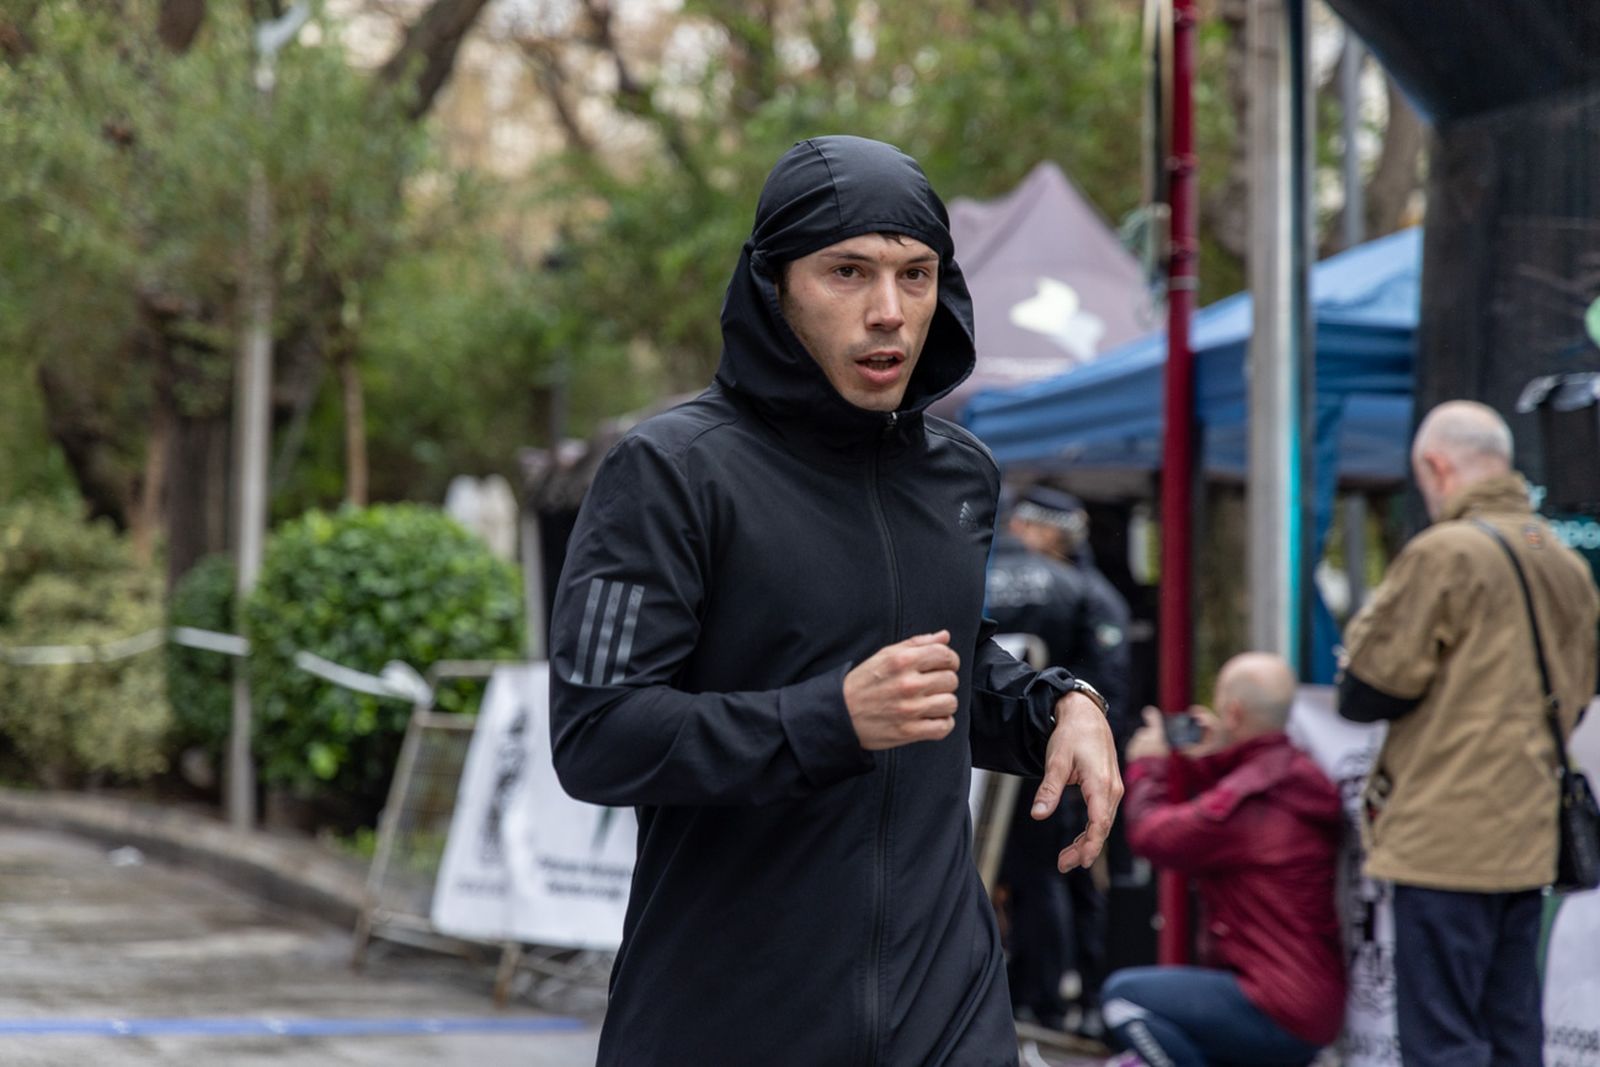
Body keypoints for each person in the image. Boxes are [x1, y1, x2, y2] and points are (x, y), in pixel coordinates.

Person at [547, 135, 1124, 1067]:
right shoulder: (670, 470)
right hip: (735, 1017)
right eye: (847, 272)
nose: (889, 310)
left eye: (915, 274)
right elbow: (597, 733)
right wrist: (829, 719)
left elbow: (947, 669)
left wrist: (1059, 705)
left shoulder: (961, 475)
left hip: (948, 1012)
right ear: (774, 284)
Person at [1337, 399, 1600, 1066]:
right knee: (1513, 1028)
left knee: (1442, 1034)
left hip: (1446, 832)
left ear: (1436, 466)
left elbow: (1368, 689)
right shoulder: (1562, 559)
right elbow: (1576, 698)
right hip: (1528, 830)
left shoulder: (1445, 552)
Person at [1101, 652, 1345, 1067]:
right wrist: (1214, 756)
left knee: (1123, 998)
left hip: (1275, 1006)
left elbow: (1152, 835)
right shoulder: (1294, 774)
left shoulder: (1251, 798)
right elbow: (1227, 805)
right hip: (1308, 1001)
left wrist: (1148, 765)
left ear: (1232, 712)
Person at [987, 487, 1131, 1035]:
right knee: (1065, 875)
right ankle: (1060, 999)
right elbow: (1111, 683)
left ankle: (1027, 994)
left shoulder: (980, 574)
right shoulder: (1087, 590)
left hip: (987, 758)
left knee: (1014, 875)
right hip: (1061, 758)